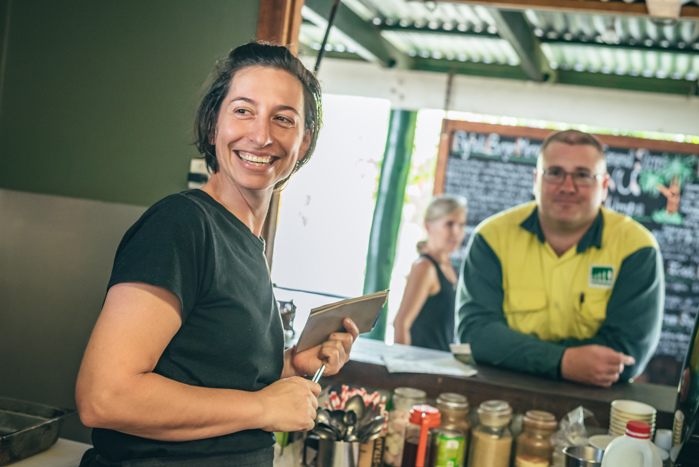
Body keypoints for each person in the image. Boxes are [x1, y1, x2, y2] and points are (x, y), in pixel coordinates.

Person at [75, 42, 359, 466]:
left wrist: (290, 366)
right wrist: (265, 408)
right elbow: (105, 396)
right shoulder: (182, 224)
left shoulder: (246, 241)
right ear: (213, 127)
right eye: (243, 110)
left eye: (283, 119)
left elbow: (207, 377)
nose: (261, 135)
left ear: (303, 142)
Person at [457, 129, 664, 387]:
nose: (568, 187)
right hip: (496, 398)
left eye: (582, 175)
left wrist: (514, 351)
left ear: (604, 186)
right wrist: (563, 361)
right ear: (536, 180)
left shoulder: (637, 248)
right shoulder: (491, 237)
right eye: (554, 173)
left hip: (597, 408)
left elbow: (626, 355)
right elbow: (475, 335)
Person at [393, 195, 467, 351]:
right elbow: (401, 324)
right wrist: (402, 368)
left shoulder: (447, 268)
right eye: (449, 224)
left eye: (461, 225)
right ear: (428, 226)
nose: (456, 232)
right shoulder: (425, 267)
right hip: (422, 368)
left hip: (439, 365)